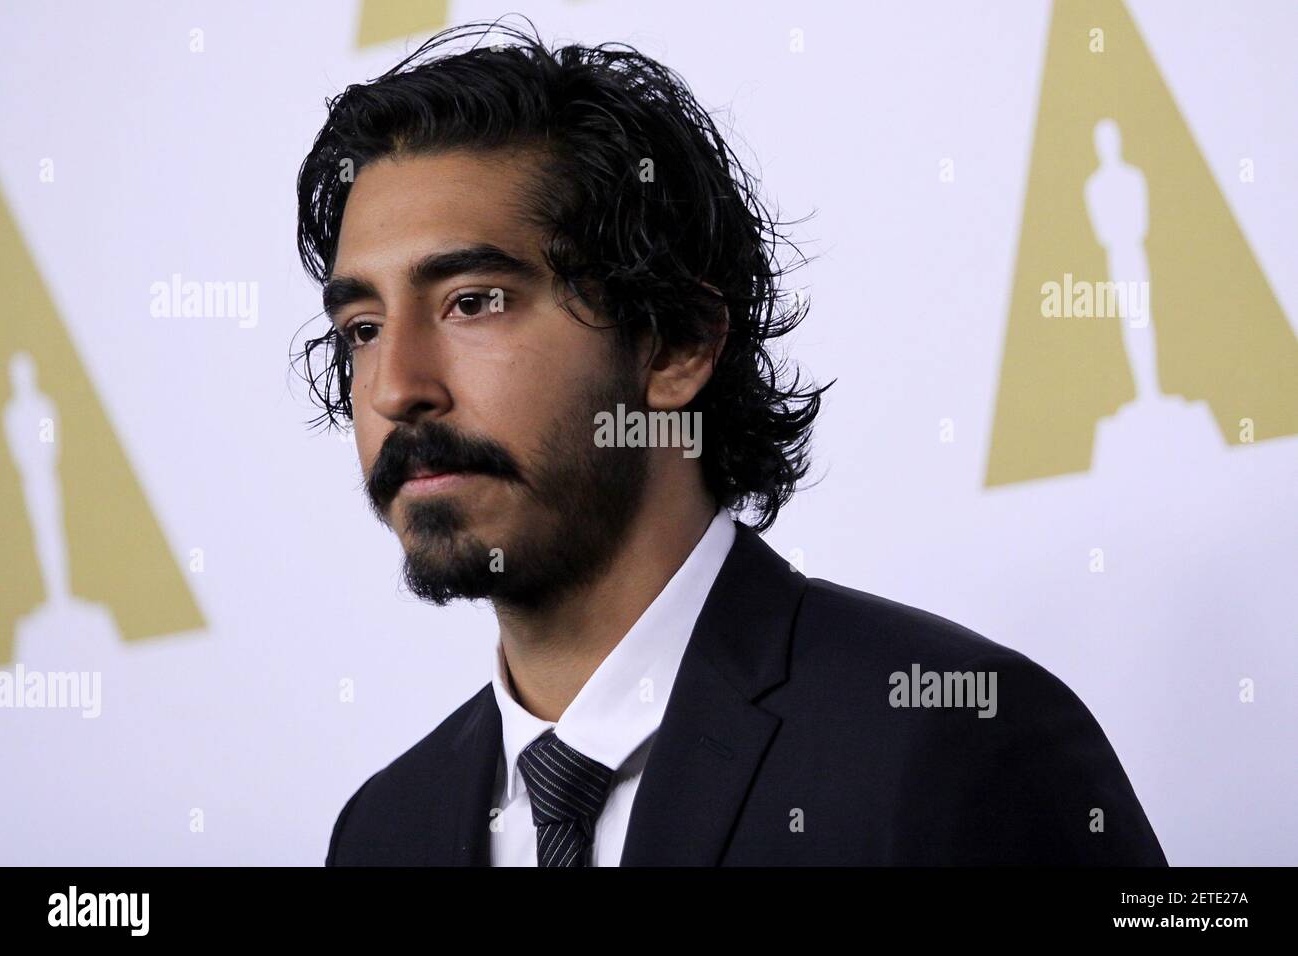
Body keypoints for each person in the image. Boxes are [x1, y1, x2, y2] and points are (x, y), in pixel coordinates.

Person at [294, 20, 1167, 866]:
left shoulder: (958, 746)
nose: (397, 386)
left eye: (474, 301)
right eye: (362, 328)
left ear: (676, 345)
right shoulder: (384, 831)